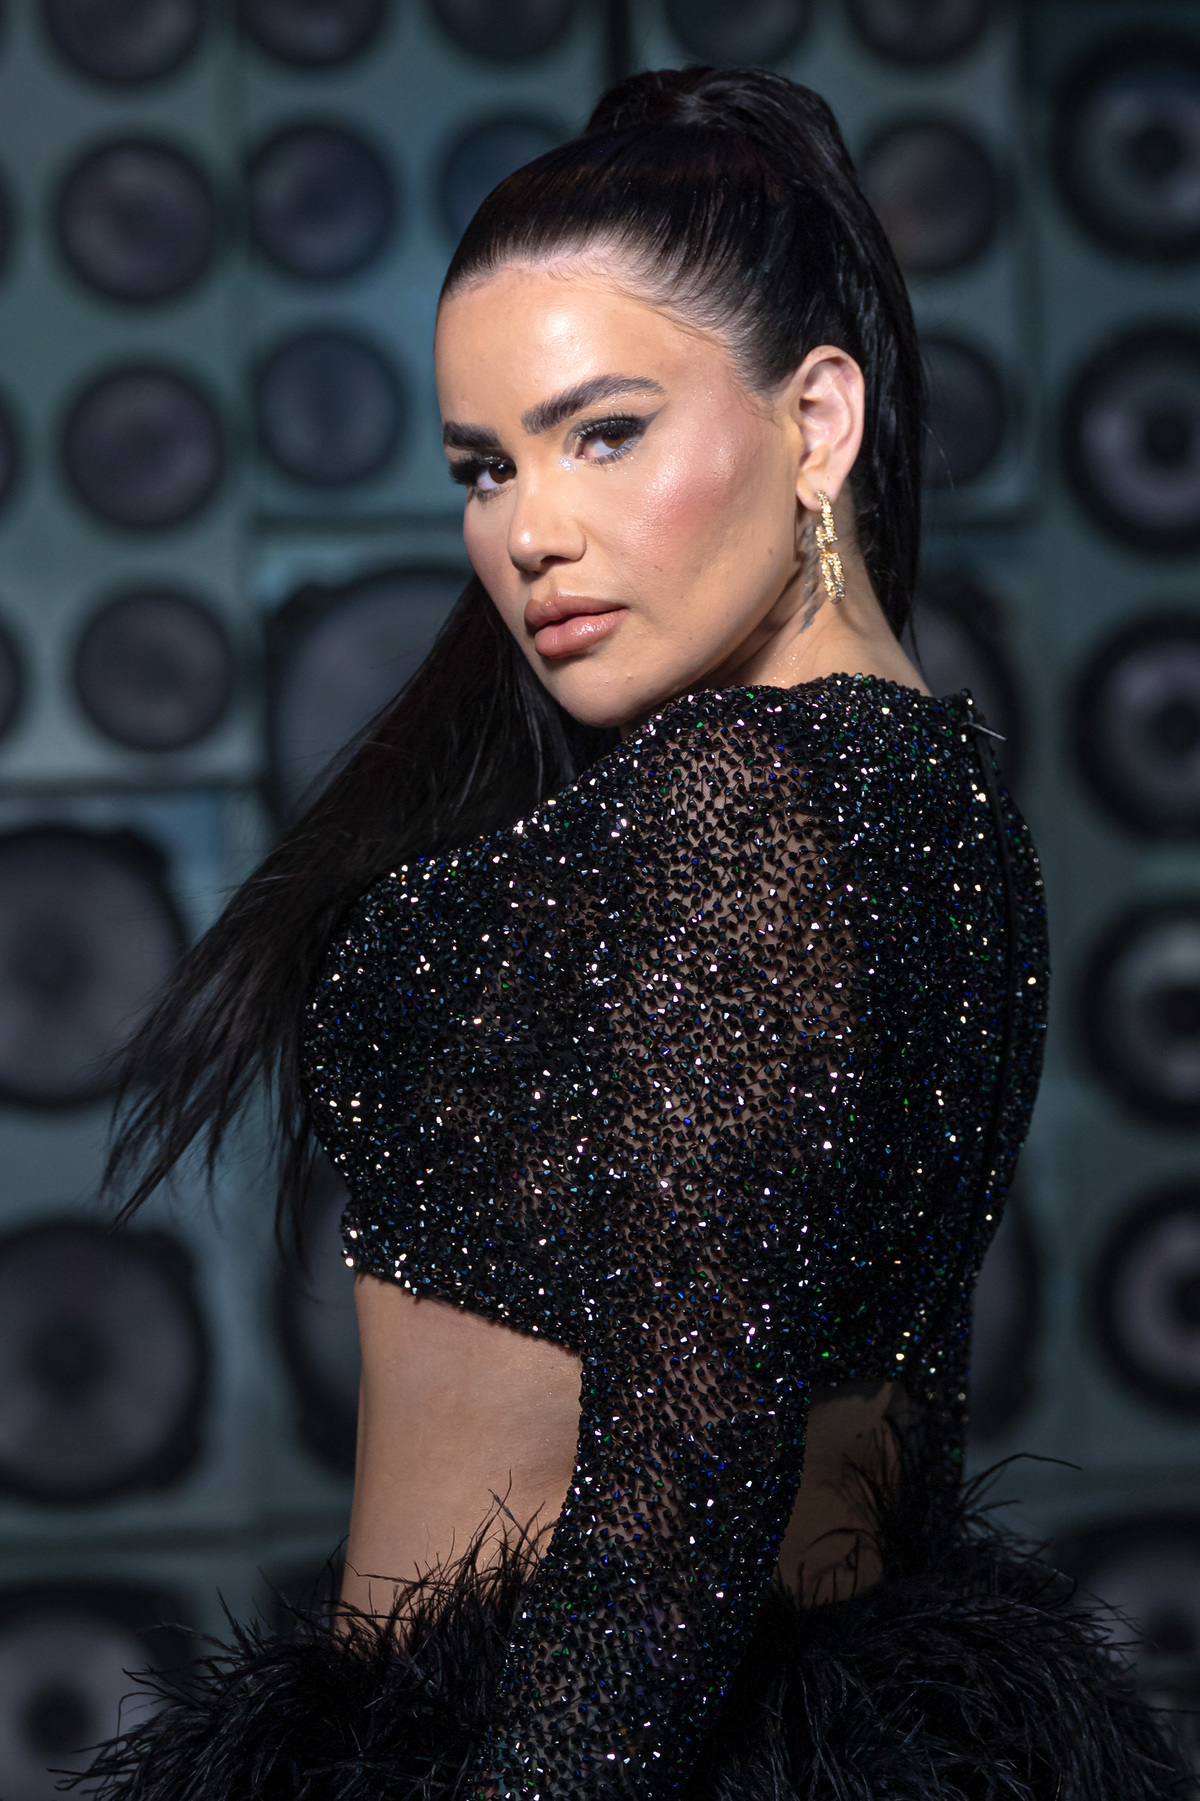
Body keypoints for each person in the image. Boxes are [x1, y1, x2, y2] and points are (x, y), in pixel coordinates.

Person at [81, 65, 1184, 1801]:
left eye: (604, 433)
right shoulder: (940, 791)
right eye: (484, 465)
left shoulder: (739, 799)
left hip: (554, 1746)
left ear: (818, 421)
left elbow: (681, 1506)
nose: (529, 531)